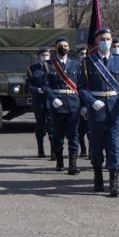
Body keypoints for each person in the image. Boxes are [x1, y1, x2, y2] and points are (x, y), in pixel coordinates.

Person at [77, 28, 119, 196]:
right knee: (97, 144)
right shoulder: (88, 62)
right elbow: (81, 88)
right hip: (97, 109)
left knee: (114, 144)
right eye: (102, 39)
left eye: (108, 38)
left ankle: (113, 182)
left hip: (116, 109)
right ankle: (98, 176)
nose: (106, 42)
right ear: (97, 42)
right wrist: (91, 102)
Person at [45, 37, 82, 174]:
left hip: (73, 102)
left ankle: (72, 165)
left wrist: (83, 104)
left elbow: (81, 85)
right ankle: (60, 161)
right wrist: (53, 98)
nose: (64, 48)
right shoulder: (48, 65)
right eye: (61, 45)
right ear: (55, 47)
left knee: (73, 134)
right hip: (57, 103)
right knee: (57, 134)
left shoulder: (76, 63)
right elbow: (45, 85)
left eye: (66, 45)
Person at [26, 47, 55, 157]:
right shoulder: (32, 69)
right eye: (43, 55)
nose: (45, 57)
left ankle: (53, 151)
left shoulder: (53, 67)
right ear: (38, 56)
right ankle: (40, 149)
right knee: (40, 125)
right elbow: (28, 85)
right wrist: (37, 90)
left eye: (47, 54)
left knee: (52, 125)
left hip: (51, 100)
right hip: (39, 101)